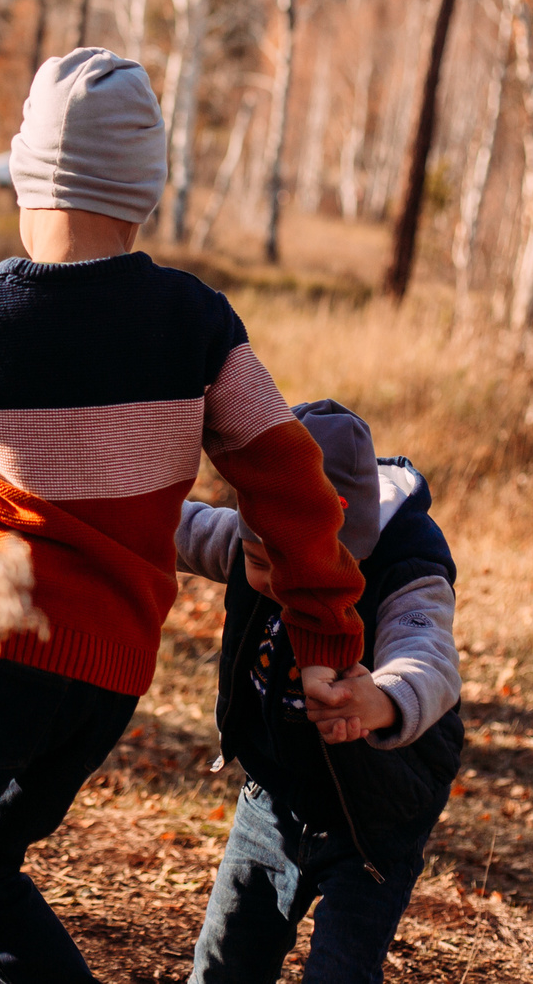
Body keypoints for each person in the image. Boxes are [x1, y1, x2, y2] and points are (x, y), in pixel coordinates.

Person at [0, 48, 368, 984]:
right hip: (107, 683)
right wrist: (326, 638)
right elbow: (296, 487)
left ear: (27, 174)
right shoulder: (198, 324)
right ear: (145, 188)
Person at [176, 401, 463, 984]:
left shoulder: (406, 569)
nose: (277, 580)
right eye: (259, 559)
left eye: (291, 562)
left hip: (373, 820)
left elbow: (428, 656)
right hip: (273, 800)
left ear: (343, 542)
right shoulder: (250, 535)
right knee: (223, 966)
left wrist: (380, 699)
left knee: (339, 974)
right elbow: (173, 527)